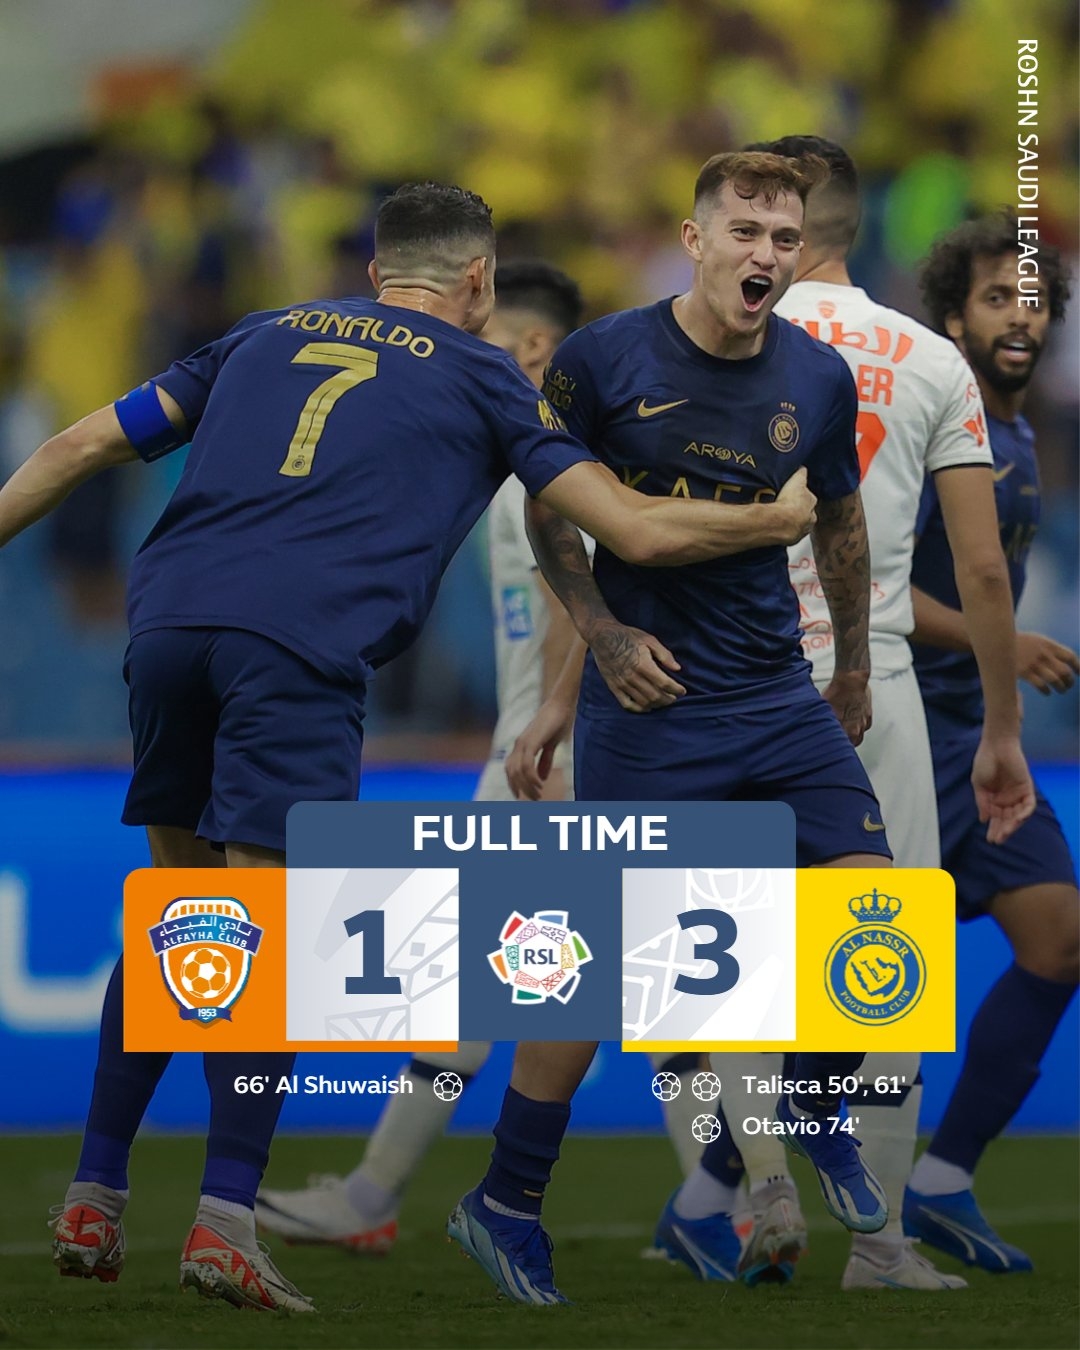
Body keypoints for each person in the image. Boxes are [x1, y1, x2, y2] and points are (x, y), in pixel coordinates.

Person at [0, 182, 819, 1313]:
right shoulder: (485, 374)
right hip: (296, 649)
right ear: (478, 279)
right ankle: (226, 1221)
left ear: (380, 271)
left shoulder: (262, 332)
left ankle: (96, 1192)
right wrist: (770, 520)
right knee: (270, 936)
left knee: (179, 917)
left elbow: (82, 441)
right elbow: (631, 528)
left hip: (170, 628)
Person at [450, 149, 912, 1306]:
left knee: (880, 918)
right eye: (744, 232)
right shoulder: (604, 359)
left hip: (775, 691)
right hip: (651, 705)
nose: (766, 255)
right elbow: (553, 516)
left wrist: (852, 667)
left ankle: (811, 1106)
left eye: (783, 237)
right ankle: (505, 1199)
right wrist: (602, 635)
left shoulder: (817, 375)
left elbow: (839, 527)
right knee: (599, 973)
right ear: (695, 241)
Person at [253, 262, 708, 1253]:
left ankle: (374, 1195)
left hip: (549, 756)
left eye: (488, 341)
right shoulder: (527, 453)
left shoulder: (555, 462)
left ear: (535, 351)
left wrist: (547, 728)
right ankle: (726, 1201)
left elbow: (576, 609)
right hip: (574, 748)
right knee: (642, 988)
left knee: (489, 982)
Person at [712, 136, 1034, 1294]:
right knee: (885, 961)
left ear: (787, 226)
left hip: (727, 679)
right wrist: (1001, 731)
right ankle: (882, 1245)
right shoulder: (931, 360)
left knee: (733, 958)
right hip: (875, 682)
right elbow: (983, 569)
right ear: (862, 226)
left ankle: (760, 1191)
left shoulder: (705, 339)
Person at [903, 209, 1077, 1274]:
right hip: (907, 730)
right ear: (953, 318)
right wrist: (1002, 642)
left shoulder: (1015, 431)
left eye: (1037, 299)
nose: (1021, 318)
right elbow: (876, 588)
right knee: (868, 980)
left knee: (1060, 939)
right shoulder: (930, 421)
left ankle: (941, 1180)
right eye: (997, 298)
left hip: (979, 732)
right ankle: (717, 1187)